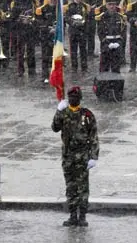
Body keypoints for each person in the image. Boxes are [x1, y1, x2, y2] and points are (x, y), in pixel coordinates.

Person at [51, 86, 99, 227]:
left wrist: (93, 156)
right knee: (70, 186)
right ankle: (72, 215)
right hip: (68, 156)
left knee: (82, 187)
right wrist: (58, 111)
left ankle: (82, 216)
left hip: (82, 156)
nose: (73, 99)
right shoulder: (64, 113)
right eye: (70, 97)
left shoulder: (87, 115)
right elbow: (55, 127)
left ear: (80, 99)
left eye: (75, 97)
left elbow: (94, 136)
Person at [64, 0, 89, 72]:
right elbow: (66, 17)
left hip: (82, 30)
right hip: (73, 31)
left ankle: (84, 67)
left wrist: (84, 23)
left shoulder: (85, 6)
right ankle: (74, 67)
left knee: (83, 50)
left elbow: (88, 17)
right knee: (73, 50)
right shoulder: (70, 6)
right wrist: (72, 22)